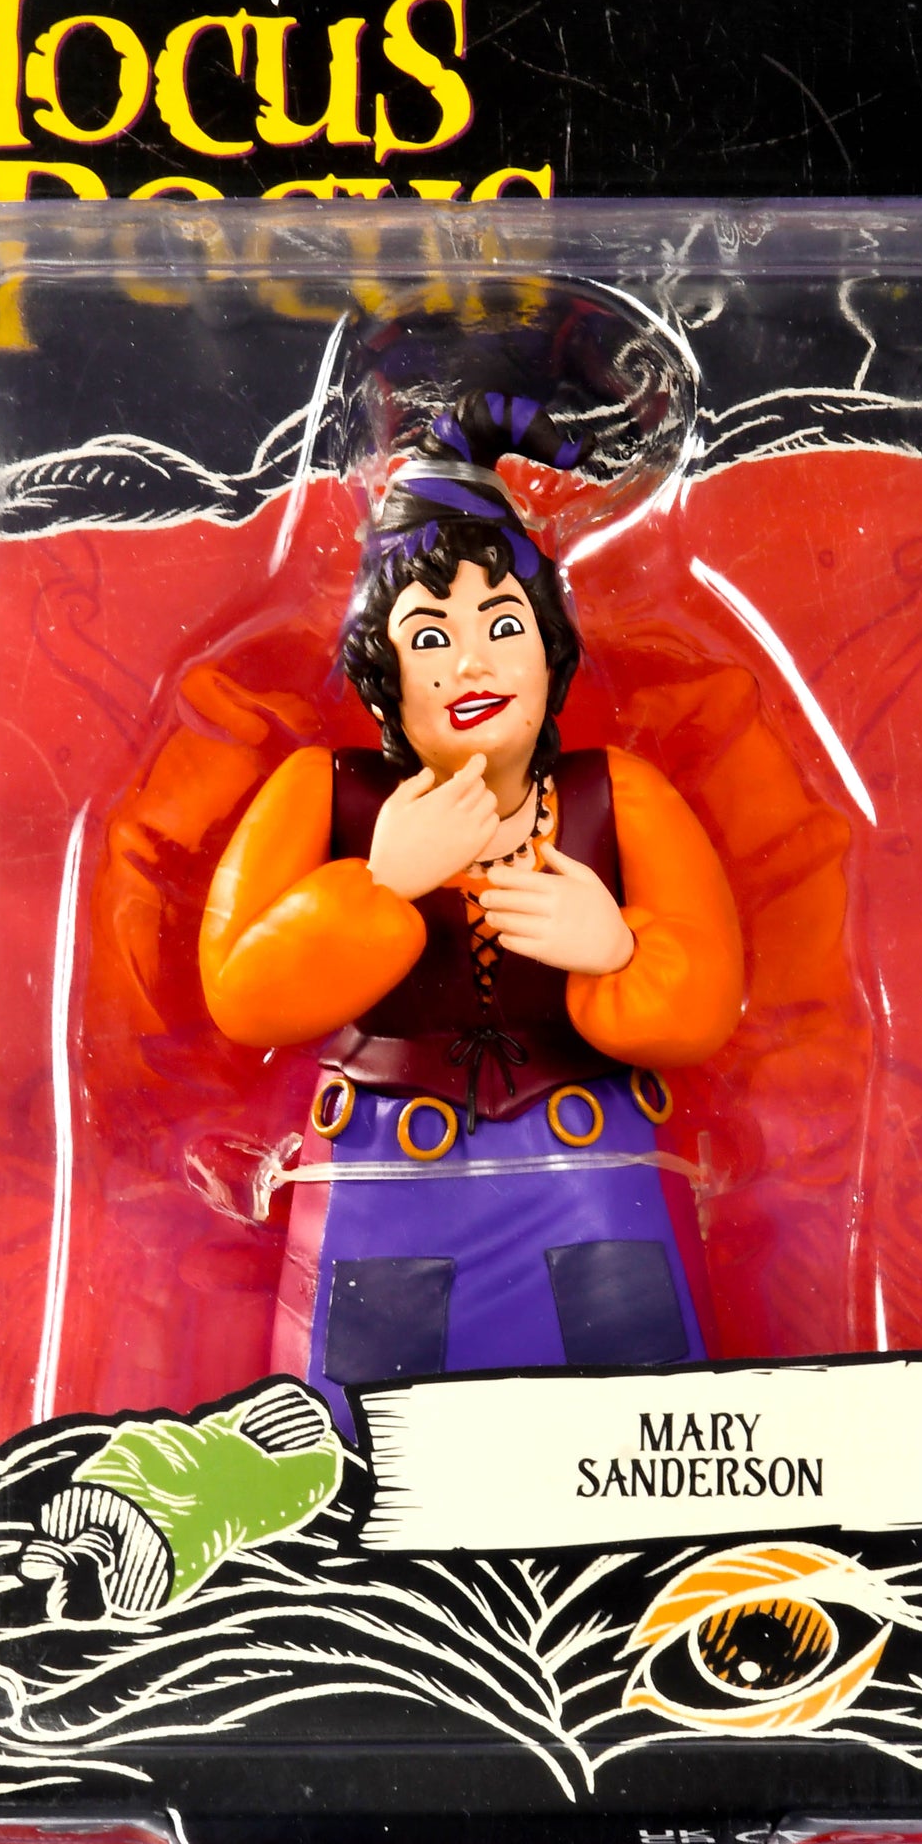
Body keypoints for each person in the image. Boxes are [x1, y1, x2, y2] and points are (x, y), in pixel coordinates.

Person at [199, 395, 745, 1434]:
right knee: (364, 1437)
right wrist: (378, 886)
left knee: (632, 1429)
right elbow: (242, 993)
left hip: (589, 1170)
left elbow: (706, 995)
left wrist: (617, 951)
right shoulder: (324, 794)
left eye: (502, 625)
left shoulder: (616, 796)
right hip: (382, 1183)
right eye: (428, 636)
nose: (471, 664)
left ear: (548, 652)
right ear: (383, 673)